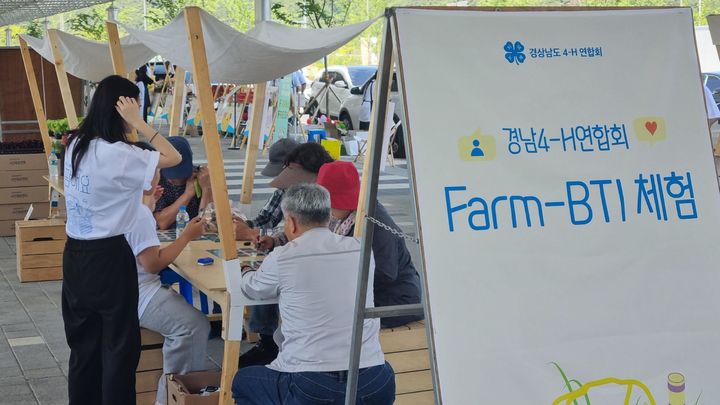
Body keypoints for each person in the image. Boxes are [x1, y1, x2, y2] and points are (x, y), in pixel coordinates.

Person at [62, 75, 182, 405]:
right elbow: (173, 157)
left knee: (83, 347)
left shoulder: (76, 145)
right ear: (122, 110)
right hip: (109, 256)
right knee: (118, 348)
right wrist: (140, 122)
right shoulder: (120, 154)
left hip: (75, 256)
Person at [231, 184, 395, 404]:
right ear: (328, 217)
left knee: (243, 381)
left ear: (291, 222)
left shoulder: (283, 256)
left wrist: (246, 270)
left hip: (312, 384)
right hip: (375, 380)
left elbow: (252, 288)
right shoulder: (360, 248)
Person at [126, 142, 210, 405]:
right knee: (193, 326)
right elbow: (152, 264)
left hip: (126, 285)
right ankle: (174, 397)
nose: (161, 174)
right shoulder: (138, 212)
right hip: (138, 292)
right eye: (157, 169)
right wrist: (185, 236)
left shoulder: (130, 202)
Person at [236, 142, 333, 367]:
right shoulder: (292, 191)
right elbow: (283, 223)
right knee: (271, 275)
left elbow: (311, 230)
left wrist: (255, 238)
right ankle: (268, 341)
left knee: (271, 277)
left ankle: (273, 344)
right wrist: (272, 237)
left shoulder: (329, 200)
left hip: (318, 277)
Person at [233, 138, 299, 240]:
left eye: (280, 173)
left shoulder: (313, 194)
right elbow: (267, 219)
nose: (278, 178)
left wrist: (250, 233)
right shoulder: (283, 190)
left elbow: (297, 235)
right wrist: (246, 225)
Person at [154, 136, 213, 230]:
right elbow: (162, 222)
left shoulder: (202, 177)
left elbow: (208, 223)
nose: (175, 180)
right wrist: (187, 194)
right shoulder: (156, 178)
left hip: (197, 236)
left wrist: (207, 189)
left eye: (181, 173)